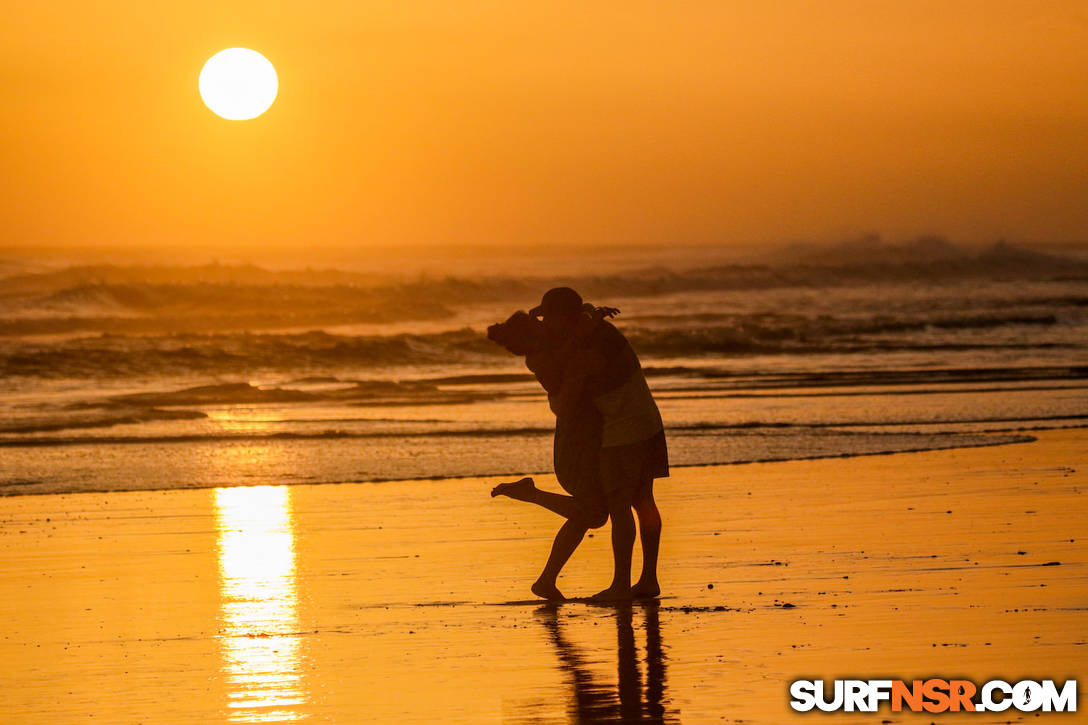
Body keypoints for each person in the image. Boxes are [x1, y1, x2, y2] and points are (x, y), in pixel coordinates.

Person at [530, 287, 668, 601]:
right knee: (643, 500)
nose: (547, 324)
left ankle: (621, 584)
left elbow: (566, 399)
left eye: (549, 317)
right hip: (646, 420)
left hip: (622, 428)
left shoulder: (589, 342)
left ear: (565, 317)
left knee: (620, 505)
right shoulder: (598, 332)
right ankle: (648, 580)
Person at [486, 308, 612, 600]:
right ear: (531, 335)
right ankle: (531, 495)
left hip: (581, 438)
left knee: (587, 514)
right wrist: (590, 322)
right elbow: (575, 352)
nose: (545, 326)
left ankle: (546, 581)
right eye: (537, 326)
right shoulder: (542, 359)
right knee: (593, 515)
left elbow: (566, 329)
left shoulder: (545, 349)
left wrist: (579, 315)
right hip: (576, 444)